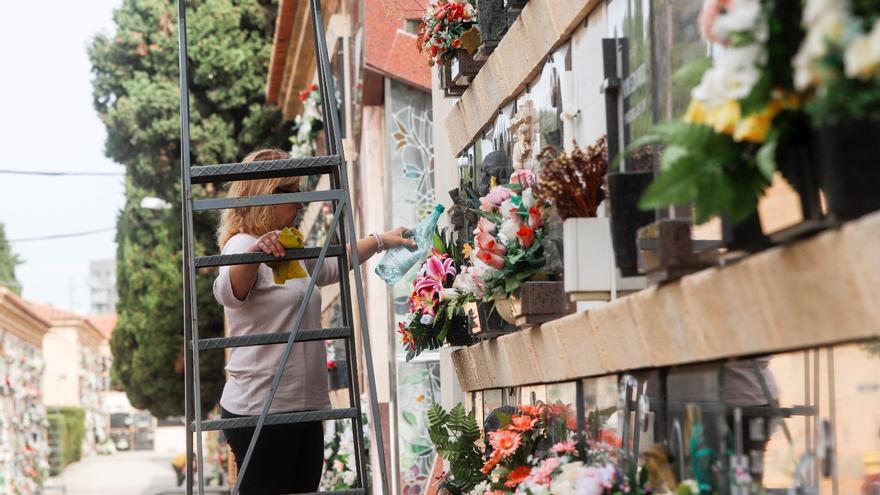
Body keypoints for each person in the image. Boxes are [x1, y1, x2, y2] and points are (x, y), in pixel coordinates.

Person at [213, 148, 414, 494]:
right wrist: (256, 253)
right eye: (295, 193)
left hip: (303, 405)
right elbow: (230, 289)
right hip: (261, 408)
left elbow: (331, 265)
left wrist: (382, 240)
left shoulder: (289, 248)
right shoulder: (242, 245)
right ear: (268, 197)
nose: (302, 203)